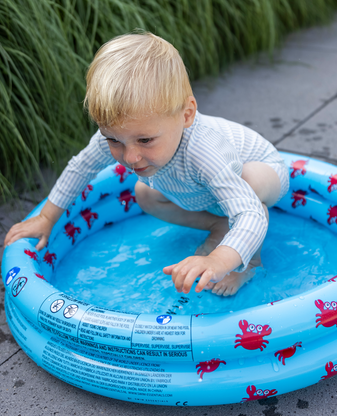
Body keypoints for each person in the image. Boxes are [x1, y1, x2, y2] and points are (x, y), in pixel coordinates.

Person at [4, 32, 289, 297]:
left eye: (145, 140)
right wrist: (46, 218)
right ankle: (220, 225)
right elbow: (82, 167)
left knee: (248, 191)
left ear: (187, 114)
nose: (129, 157)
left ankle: (251, 264)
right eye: (114, 140)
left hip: (261, 172)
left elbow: (250, 213)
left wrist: (218, 260)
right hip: (203, 189)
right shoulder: (126, 132)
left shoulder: (205, 150)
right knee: (144, 193)